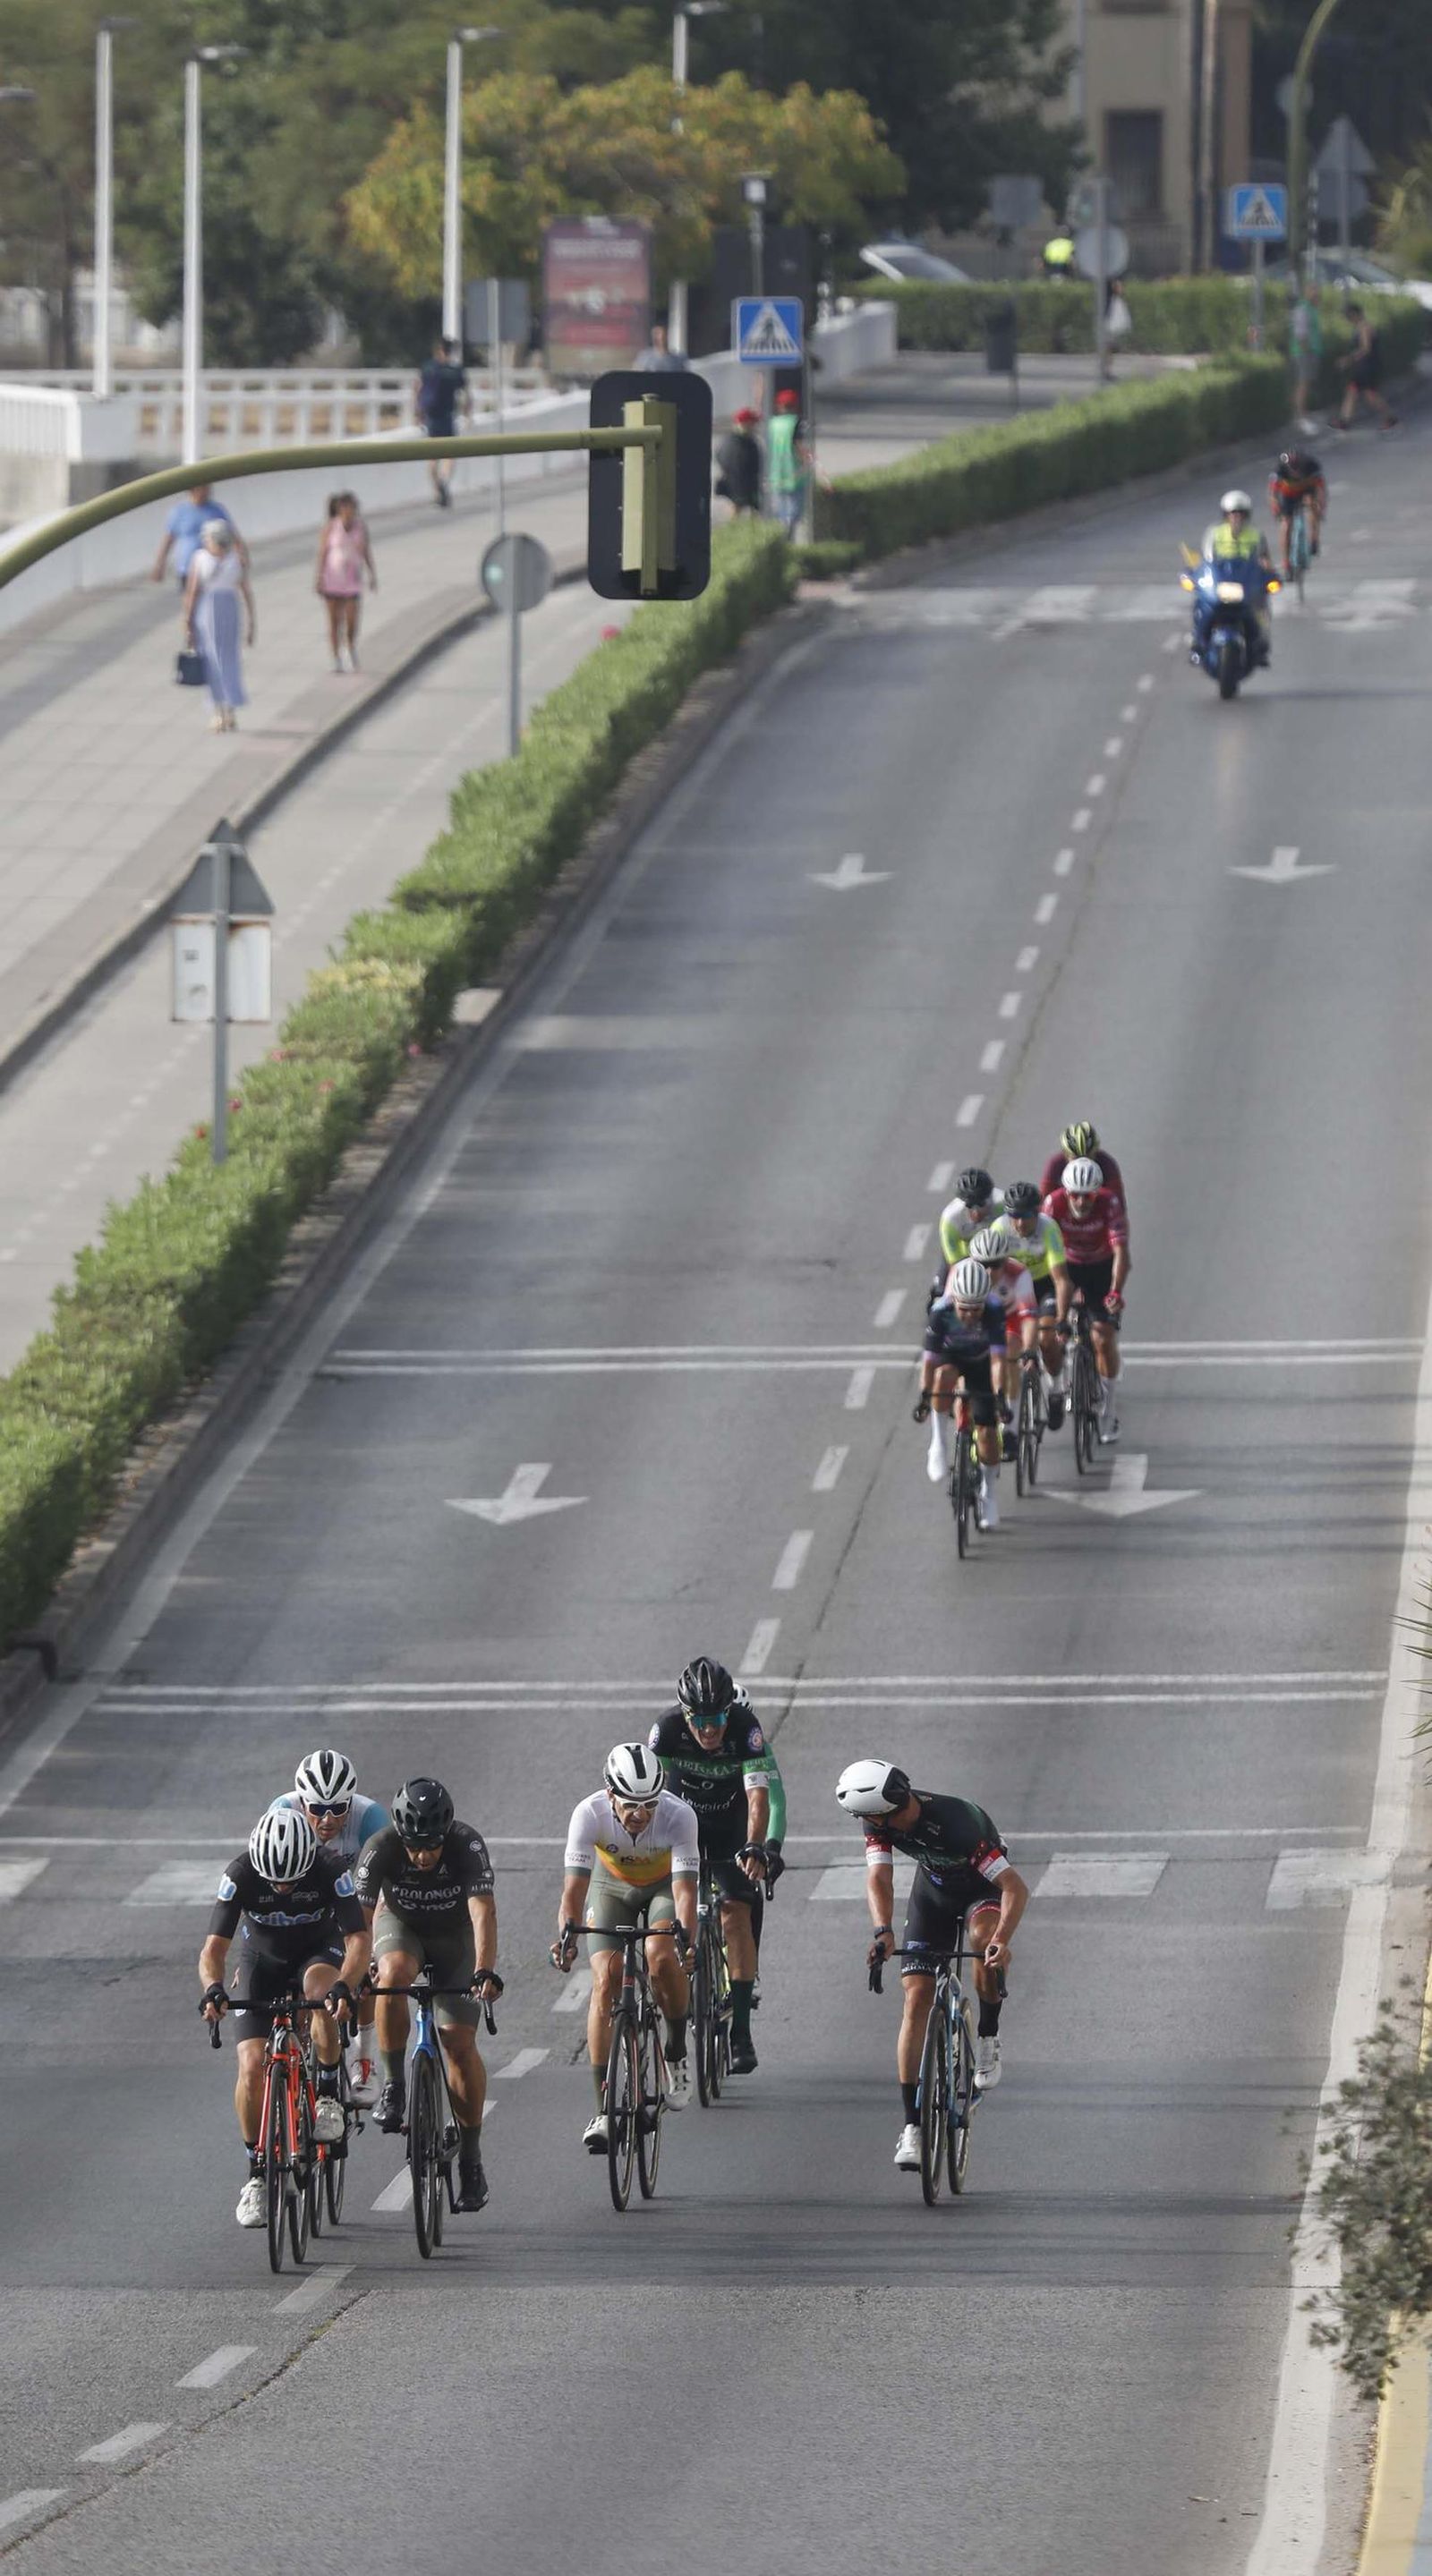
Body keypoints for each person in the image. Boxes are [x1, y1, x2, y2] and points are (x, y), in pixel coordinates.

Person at [835, 1759, 1030, 2173]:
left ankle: (988, 2036)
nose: (866, 1824)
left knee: (982, 1941)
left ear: (884, 1810)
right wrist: (883, 1931)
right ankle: (913, 2127)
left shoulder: (957, 1825)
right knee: (916, 1998)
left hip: (982, 1891)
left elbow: (1014, 1886)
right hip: (934, 1893)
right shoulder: (879, 1821)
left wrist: (1001, 1941)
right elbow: (879, 1878)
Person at [198, 1806, 370, 2229]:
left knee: (320, 1995)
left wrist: (346, 1984)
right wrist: (213, 1988)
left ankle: (326, 2094)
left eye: (292, 1881)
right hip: (262, 1960)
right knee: (251, 2066)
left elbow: (358, 1937)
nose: (283, 1887)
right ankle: (256, 2173)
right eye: (275, 1881)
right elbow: (214, 1948)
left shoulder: (330, 1869)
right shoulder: (240, 1873)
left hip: (319, 1951)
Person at [354, 1778, 499, 2214]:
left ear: (446, 1833)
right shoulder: (381, 1847)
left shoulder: (467, 1844)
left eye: (432, 1846)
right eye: (414, 1847)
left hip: (455, 1938)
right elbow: (359, 1921)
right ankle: (394, 2085)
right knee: (392, 1975)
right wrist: (358, 1970)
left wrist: (484, 1970)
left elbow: (483, 1912)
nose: (422, 1856)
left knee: (458, 2042)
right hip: (402, 1928)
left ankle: (471, 2158)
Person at [551, 1744, 699, 2148]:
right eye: (631, 1804)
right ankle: (603, 2109)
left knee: (661, 1957)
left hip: (663, 1888)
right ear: (610, 1795)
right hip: (610, 1887)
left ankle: (675, 2049)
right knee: (606, 1979)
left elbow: (685, 1892)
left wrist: (686, 1939)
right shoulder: (589, 1814)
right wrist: (567, 1936)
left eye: (649, 1804)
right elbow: (573, 1891)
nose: (641, 1814)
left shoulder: (680, 1815)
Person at [648, 1657, 774, 2075]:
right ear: (685, 1715)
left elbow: (759, 1798)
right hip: (681, 1826)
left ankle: (741, 2031)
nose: (709, 1730)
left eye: (717, 1719)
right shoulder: (666, 1730)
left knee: (736, 1913)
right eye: (700, 1721)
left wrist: (755, 1845)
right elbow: (653, 1797)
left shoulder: (746, 1728)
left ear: (728, 1712)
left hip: (729, 1828)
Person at [274, 1749, 389, 2104]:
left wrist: (371, 1953)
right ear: (301, 1802)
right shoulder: (282, 1812)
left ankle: (363, 2057)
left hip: (355, 1901)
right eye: (317, 1808)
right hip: (302, 1905)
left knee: (366, 1971)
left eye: (338, 1808)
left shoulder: (370, 1818)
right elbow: (267, 1880)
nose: (327, 1819)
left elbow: (384, 1891)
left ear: (350, 1803)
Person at [1041, 1155, 1129, 1440]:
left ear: (1097, 1192)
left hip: (1101, 1269)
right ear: (1066, 1192)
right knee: (1049, 1334)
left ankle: (1109, 1412)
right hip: (1064, 1267)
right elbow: (1044, 1250)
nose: (1081, 1202)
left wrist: (1115, 1291)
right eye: (1075, 1195)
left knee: (1102, 1337)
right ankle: (1056, 1387)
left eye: (1088, 1195)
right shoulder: (1053, 1204)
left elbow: (1121, 1254)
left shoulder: (1109, 1203)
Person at [915, 1254, 1007, 1524]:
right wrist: (924, 1397)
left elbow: (998, 1361)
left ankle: (988, 1493)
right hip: (951, 1358)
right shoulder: (940, 1312)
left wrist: (1000, 1396)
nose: (969, 1315)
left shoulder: (994, 1309)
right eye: (964, 1309)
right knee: (942, 1376)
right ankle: (938, 1444)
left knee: (987, 1436)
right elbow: (929, 1363)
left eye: (976, 1309)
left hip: (982, 1363)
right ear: (954, 1300)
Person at [1001, 1179, 1072, 1428]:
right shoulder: (999, 1230)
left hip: (1043, 1287)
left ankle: (1056, 1389)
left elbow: (1061, 1280)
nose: (1021, 1223)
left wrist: (1061, 1319)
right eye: (1015, 1216)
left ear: (1037, 1212)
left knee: (1047, 1339)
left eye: (1027, 1216)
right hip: (1012, 1289)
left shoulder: (1048, 1228)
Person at [183, 519, 255, 733]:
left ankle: (228, 710)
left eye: (208, 538)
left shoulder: (236, 559)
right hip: (208, 611)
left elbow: (245, 589)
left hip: (227, 610)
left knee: (229, 659)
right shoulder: (201, 558)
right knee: (212, 660)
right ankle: (219, 711)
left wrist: (252, 622)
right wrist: (188, 619)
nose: (206, 542)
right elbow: (193, 590)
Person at [1196, 489, 1274, 667]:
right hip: (1221, 581)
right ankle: (1198, 642)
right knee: (1201, 603)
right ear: (1226, 515)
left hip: (1246, 582)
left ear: (1247, 515)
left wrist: (1268, 572)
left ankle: (1261, 645)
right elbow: (1207, 559)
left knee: (1262, 608)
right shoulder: (1215, 533)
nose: (1236, 517)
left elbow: (1264, 559)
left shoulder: (1256, 535)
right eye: (1233, 513)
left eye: (1240, 513)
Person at [314, 491, 376, 673]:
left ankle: (350, 646)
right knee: (334, 621)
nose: (349, 513)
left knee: (351, 620)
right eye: (345, 509)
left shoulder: (361, 528)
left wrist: (372, 574)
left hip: (352, 579)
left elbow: (366, 551)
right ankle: (336, 658)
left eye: (352, 509)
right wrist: (318, 577)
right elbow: (322, 553)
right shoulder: (330, 528)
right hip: (332, 579)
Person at [150, 482, 245, 591]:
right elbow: (168, 540)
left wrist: (241, 554)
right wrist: (160, 565)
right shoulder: (179, 512)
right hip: (187, 567)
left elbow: (232, 533)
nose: (207, 491)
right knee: (190, 598)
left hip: (212, 567)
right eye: (203, 488)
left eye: (208, 487)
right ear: (193, 490)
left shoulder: (216, 510)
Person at [415, 335, 468, 506]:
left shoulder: (428, 368)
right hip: (448, 416)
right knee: (449, 454)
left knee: (432, 457)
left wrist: (418, 414)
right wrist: (468, 414)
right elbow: (466, 394)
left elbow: (418, 390)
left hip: (431, 417)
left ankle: (437, 489)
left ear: (438, 349)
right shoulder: (455, 371)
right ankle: (444, 480)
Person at [1267, 446, 1327, 582]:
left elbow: (1321, 491)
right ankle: (1286, 563)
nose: (1295, 473)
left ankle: (1314, 540)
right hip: (1288, 496)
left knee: (1312, 504)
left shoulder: (1312, 466)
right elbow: (1272, 495)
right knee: (1286, 524)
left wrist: (1320, 509)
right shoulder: (1280, 470)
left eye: (1297, 469)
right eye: (1292, 469)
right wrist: (1276, 510)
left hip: (1307, 491)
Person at [1336, 303, 1398, 432]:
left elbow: (1366, 349)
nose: (1348, 319)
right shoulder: (1360, 327)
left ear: (1355, 314)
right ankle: (1344, 421)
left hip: (1368, 366)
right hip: (1363, 365)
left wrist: (1348, 360)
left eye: (1348, 316)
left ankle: (1390, 418)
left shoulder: (1364, 327)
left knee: (1370, 395)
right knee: (1352, 391)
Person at [1038, 1122, 1127, 1210]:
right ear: (1066, 1155)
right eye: (1075, 1158)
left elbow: (1119, 1206)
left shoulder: (1107, 1164)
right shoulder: (1055, 1164)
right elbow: (1042, 1204)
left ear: (1095, 1153)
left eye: (1088, 1157)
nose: (1082, 1162)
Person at [937, 1166, 1005, 1267]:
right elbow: (954, 1262)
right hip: (965, 1256)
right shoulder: (951, 1218)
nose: (976, 1213)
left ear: (990, 1197)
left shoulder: (1003, 1205)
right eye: (969, 1206)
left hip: (997, 1253)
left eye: (981, 1205)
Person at [765, 387, 810, 538]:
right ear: (796, 405)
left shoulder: (771, 423)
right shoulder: (797, 423)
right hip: (795, 474)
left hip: (775, 475)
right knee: (793, 512)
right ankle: (788, 538)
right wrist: (807, 461)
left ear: (779, 406)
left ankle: (781, 539)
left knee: (779, 512)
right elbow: (800, 446)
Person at [714, 407, 762, 517]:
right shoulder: (741, 443)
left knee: (740, 512)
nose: (754, 426)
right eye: (752, 423)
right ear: (746, 423)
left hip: (738, 485)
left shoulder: (732, 439)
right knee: (737, 511)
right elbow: (741, 465)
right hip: (740, 486)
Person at [1288, 286, 1324, 433]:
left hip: (1310, 352)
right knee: (1303, 385)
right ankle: (1301, 418)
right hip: (1304, 353)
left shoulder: (1311, 308)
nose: (1317, 294)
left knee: (1304, 385)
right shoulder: (1303, 309)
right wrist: (1307, 350)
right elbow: (1300, 333)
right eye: (1313, 291)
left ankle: (1301, 415)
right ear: (1307, 293)